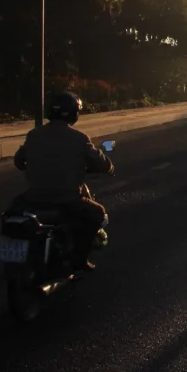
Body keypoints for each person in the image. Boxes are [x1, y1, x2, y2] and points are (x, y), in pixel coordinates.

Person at [12, 92, 114, 271]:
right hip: (66, 199)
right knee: (98, 213)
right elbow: (102, 163)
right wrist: (109, 167)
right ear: (74, 113)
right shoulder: (80, 138)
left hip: (32, 197)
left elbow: (19, 161)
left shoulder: (33, 135)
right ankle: (80, 260)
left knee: (11, 212)